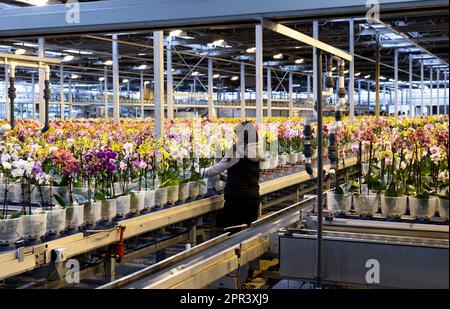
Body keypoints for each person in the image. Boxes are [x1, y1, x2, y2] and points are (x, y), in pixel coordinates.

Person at [202, 121, 263, 229]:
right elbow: (245, 174)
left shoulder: (238, 150)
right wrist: (224, 178)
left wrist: (198, 172)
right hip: (253, 198)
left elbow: (216, 169)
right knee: (247, 236)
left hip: (237, 200)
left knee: (232, 235)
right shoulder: (257, 149)